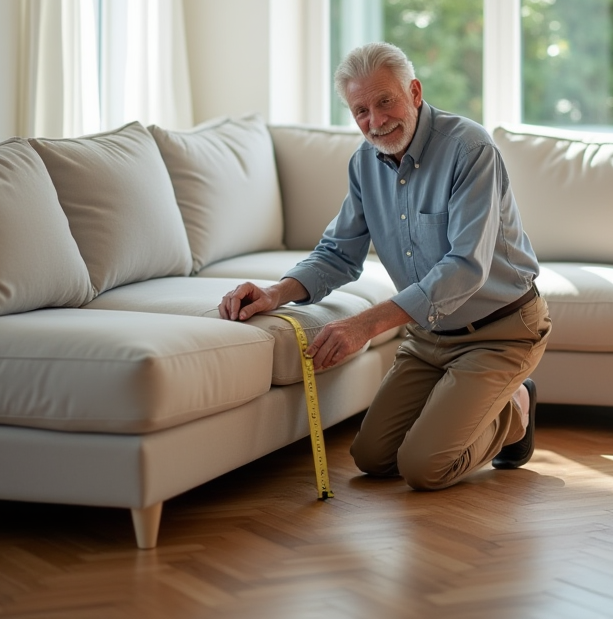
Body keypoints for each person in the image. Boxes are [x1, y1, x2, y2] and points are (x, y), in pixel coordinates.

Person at [218, 41, 551, 490]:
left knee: (423, 467)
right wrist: (275, 293)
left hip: (500, 331)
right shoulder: (364, 164)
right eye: (360, 111)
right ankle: (480, 402)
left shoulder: (469, 148)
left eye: (385, 101)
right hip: (430, 336)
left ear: (414, 92)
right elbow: (338, 252)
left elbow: (465, 268)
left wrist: (365, 326)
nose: (375, 121)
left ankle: (515, 410)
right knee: (373, 458)